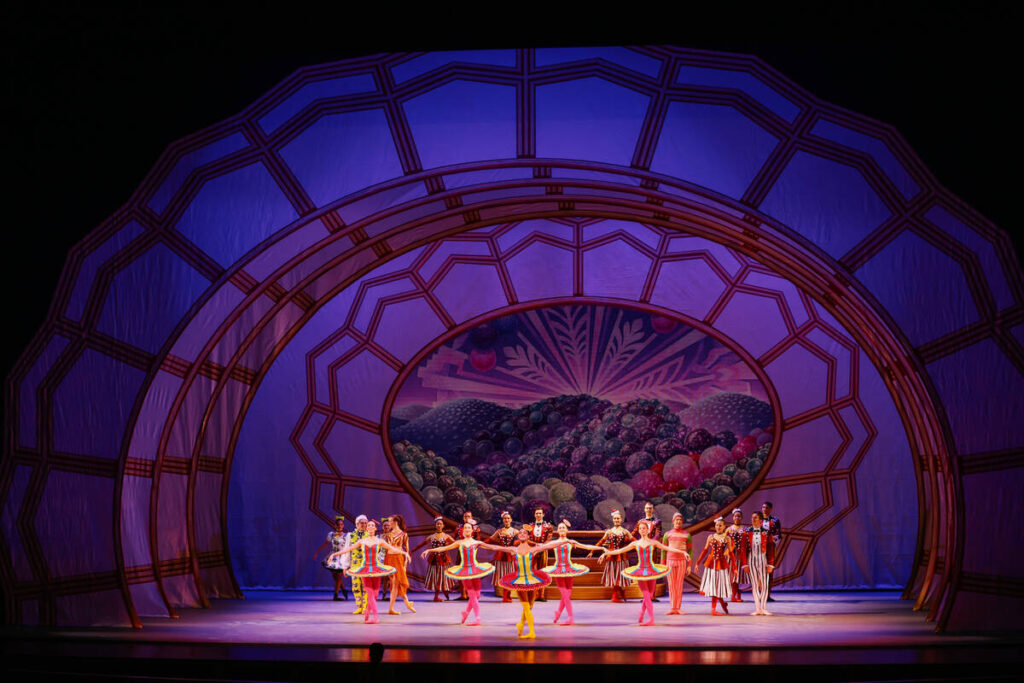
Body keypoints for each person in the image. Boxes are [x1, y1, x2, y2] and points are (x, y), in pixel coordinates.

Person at [478, 528, 567, 639]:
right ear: (518, 537)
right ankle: (532, 632)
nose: (522, 534)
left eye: (524, 533)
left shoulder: (533, 549)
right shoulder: (513, 550)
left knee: (530, 606)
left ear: (528, 536)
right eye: (520, 533)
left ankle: (520, 624)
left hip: (531, 579)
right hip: (519, 580)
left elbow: (549, 546)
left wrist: (566, 541)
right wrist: (480, 544)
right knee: (526, 606)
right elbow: (496, 547)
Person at [601, 519, 688, 625]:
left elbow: (667, 548)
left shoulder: (653, 542)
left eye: (644, 528)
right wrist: (606, 553)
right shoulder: (635, 543)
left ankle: (641, 611)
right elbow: (620, 550)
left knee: (650, 595)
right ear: (639, 531)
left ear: (648, 530)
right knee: (646, 595)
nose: (642, 530)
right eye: (640, 529)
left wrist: (682, 552)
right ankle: (651, 619)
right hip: (641, 572)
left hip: (652, 571)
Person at [327, 520, 410, 624]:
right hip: (364, 570)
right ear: (367, 528)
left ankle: (367, 612)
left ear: (375, 528)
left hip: (376, 569)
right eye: (369, 525)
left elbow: (393, 549)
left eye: (372, 525)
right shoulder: (362, 541)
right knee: (370, 594)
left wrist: (405, 553)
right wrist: (333, 555)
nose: (370, 526)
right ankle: (375, 617)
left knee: (375, 595)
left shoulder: (380, 541)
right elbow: (348, 549)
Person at [421, 520, 493, 625]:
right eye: (465, 528)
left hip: (475, 570)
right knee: (472, 595)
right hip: (464, 571)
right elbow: (444, 548)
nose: (467, 529)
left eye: (469, 527)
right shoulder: (459, 543)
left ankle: (466, 613)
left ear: (472, 530)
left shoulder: (477, 543)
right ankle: (478, 619)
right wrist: (429, 551)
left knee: (477, 595)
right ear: (463, 530)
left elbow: (494, 547)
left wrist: (511, 549)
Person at [542, 519, 603, 625]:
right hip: (559, 570)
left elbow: (586, 547)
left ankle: (558, 612)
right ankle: (570, 618)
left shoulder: (571, 542)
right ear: (557, 530)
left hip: (569, 569)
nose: (561, 529)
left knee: (567, 595)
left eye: (563, 528)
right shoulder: (554, 543)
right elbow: (541, 547)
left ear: (567, 530)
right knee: (565, 595)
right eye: (560, 528)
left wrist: (601, 548)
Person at [588, 509, 635, 602]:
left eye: (618, 518)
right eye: (615, 518)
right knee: (614, 575)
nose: (616, 520)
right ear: (613, 520)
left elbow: (634, 541)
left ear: (621, 519)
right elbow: (600, 542)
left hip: (622, 556)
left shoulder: (625, 531)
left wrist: (642, 547)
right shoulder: (609, 532)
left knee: (621, 576)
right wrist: (592, 551)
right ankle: (615, 596)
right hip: (611, 556)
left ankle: (621, 591)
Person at [696, 517, 736, 616]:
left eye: (720, 525)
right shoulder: (710, 537)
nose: (718, 527)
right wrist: (697, 563)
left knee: (718, 586)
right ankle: (716, 607)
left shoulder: (727, 538)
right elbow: (705, 551)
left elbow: (731, 553)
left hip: (721, 564)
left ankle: (721, 604)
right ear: (715, 526)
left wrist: (735, 567)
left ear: (724, 526)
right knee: (714, 586)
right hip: (711, 564)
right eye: (717, 525)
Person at [741, 510, 777, 616]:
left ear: (760, 520)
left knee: (764, 585)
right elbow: (743, 549)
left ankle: (764, 608)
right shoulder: (746, 532)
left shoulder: (766, 532)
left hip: (762, 559)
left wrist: (770, 564)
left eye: (755, 518)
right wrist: (745, 564)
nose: (753, 519)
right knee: (755, 585)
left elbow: (771, 549)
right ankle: (757, 608)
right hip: (751, 559)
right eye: (752, 517)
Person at [411, 517, 455, 602]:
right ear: (435, 525)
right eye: (437, 524)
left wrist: (447, 545)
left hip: (444, 558)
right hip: (434, 559)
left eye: (440, 524)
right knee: (437, 576)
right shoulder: (431, 537)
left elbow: (455, 543)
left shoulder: (446, 536)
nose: (439, 525)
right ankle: (437, 596)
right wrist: (412, 551)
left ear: (443, 525)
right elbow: (421, 544)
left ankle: (445, 592)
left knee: (444, 576)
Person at [631, 502, 664, 601]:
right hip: (642, 549)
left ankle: (652, 595)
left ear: (653, 510)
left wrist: (651, 542)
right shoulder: (640, 521)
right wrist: (635, 541)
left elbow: (658, 533)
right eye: (647, 508)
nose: (648, 510)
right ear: (644, 510)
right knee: (643, 570)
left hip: (651, 549)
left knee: (652, 570)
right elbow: (634, 532)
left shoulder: (657, 521)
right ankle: (646, 595)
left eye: (650, 508)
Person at [662, 512, 692, 615]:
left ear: (682, 521)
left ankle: (678, 607)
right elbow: (663, 550)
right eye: (676, 519)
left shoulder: (687, 534)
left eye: (680, 519)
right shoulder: (667, 534)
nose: (678, 521)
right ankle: (672, 607)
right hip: (670, 561)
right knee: (671, 585)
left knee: (679, 585)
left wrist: (689, 565)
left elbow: (690, 551)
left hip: (681, 561)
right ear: (673, 521)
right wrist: (662, 565)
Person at [312, 516, 349, 601]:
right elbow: (325, 544)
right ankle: (344, 590)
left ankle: (335, 595)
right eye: (338, 524)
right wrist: (317, 552)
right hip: (332, 557)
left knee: (339, 577)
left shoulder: (346, 536)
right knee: (335, 577)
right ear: (335, 525)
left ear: (343, 525)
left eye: (341, 524)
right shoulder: (331, 534)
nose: (340, 526)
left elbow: (349, 547)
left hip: (341, 557)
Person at [385, 514, 416, 615]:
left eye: (390, 521)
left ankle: (396, 606)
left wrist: (405, 565)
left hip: (399, 559)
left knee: (396, 583)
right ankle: (405, 604)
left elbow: (406, 550)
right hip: (389, 559)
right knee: (395, 583)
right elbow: (386, 548)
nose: (388, 523)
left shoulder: (404, 535)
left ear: (395, 522)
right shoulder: (388, 535)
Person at [522, 507, 554, 601]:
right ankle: (534, 594)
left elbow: (549, 539)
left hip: (543, 551)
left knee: (543, 572)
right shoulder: (529, 527)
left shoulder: (549, 527)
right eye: (537, 513)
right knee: (533, 572)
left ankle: (541, 594)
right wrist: (535, 545)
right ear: (534, 515)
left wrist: (542, 546)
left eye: (540, 513)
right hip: (533, 551)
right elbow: (527, 539)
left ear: (543, 514)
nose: (538, 515)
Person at [485, 511, 518, 602]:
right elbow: (490, 539)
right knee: (502, 576)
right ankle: (505, 596)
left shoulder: (515, 531)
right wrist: (480, 543)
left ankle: (508, 594)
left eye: (508, 518)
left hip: (510, 556)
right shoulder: (499, 531)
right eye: (505, 518)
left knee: (510, 575)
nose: (506, 520)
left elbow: (522, 539)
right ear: (503, 520)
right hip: (501, 556)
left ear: (511, 520)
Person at [343, 514, 370, 615]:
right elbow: (346, 551)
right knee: (356, 586)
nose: (363, 525)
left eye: (365, 523)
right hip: (354, 565)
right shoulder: (350, 535)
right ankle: (359, 606)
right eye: (361, 523)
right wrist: (345, 567)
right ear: (356, 524)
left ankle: (365, 608)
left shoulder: (370, 535)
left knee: (366, 587)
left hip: (367, 565)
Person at [453, 510, 480, 601]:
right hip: (461, 553)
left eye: (469, 516)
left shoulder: (475, 528)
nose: (467, 518)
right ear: (463, 518)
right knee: (461, 573)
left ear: (472, 518)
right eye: (465, 517)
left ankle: (471, 594)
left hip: (471, 553)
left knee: (471, 573)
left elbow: (478, 540)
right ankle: (463, 594)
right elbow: (453, 539)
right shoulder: (459, 528)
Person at [761, 501, 781, 602]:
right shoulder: (757, 519)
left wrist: (771, 539)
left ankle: (768, 595)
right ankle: (760, 595)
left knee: (769, 572)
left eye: (767, 507)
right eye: (763, 507)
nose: (764, 509)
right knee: (759, 571)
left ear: (771, 509)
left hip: (770, 548)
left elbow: (779, 535)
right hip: (759, 549)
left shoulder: (775, 520)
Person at [725, 508, 745, 603]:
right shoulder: (729, 529)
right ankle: (735, 593)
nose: (737, 517)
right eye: (735, 516)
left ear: (741, 518)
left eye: (739, 516)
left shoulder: (744, 529)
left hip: (740, 555)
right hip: (731, 554)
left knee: (737, 575)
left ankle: (736, 593)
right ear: (733, 517)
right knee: (732, 575)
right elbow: (723, 541)